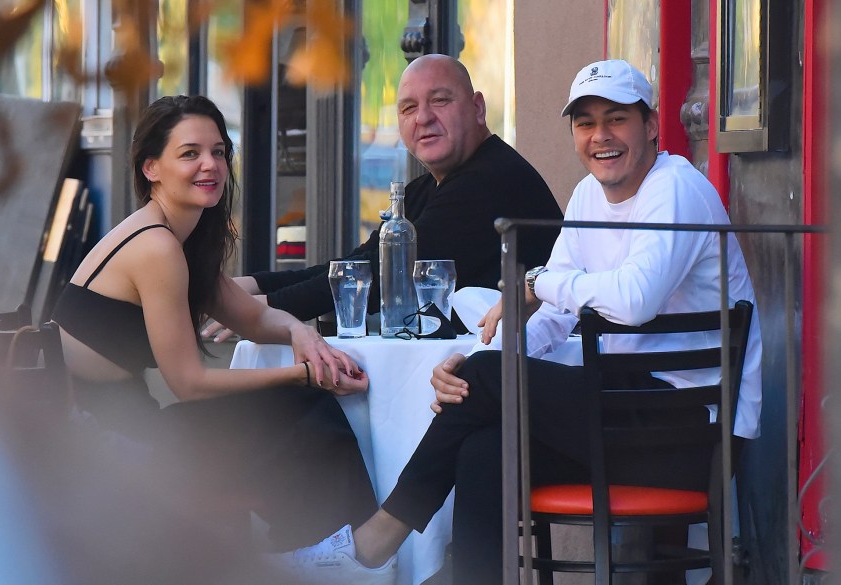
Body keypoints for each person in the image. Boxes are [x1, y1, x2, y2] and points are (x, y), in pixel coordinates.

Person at [266, 59, 763, 585]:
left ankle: (375, 542)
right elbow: (552, 318)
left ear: (652, 125)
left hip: (690, 433)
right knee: (485, 450)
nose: (601, 136)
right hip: (622, 415)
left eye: (616, 119)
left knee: (485, 380)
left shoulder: (674, 186)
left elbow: (632, 299)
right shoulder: (588, 195)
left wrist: (531, 286)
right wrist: (490, 362)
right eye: (585, 123)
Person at [50, 95, 395, 583]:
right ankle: (340, 559)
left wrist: (299, 331)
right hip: (110, 444)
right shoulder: (156, 247)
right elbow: (189, 382)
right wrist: (304, 375)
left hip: (125, 426)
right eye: (189, 153)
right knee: (303, 415)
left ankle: (329, 555)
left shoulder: (177, 237)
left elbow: (250, 317)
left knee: (296, 416)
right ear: (152, 167)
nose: (210, 164)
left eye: (218, 151)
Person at [202, 53, 562, 340]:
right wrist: (248, 286)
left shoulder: (489, 180)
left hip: (522, 382)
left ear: (477, 108)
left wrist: (256, 311)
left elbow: (382, 278)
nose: (423, 117)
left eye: (440, 100)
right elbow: (354, 264)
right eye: (408, 108)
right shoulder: (429, 187)